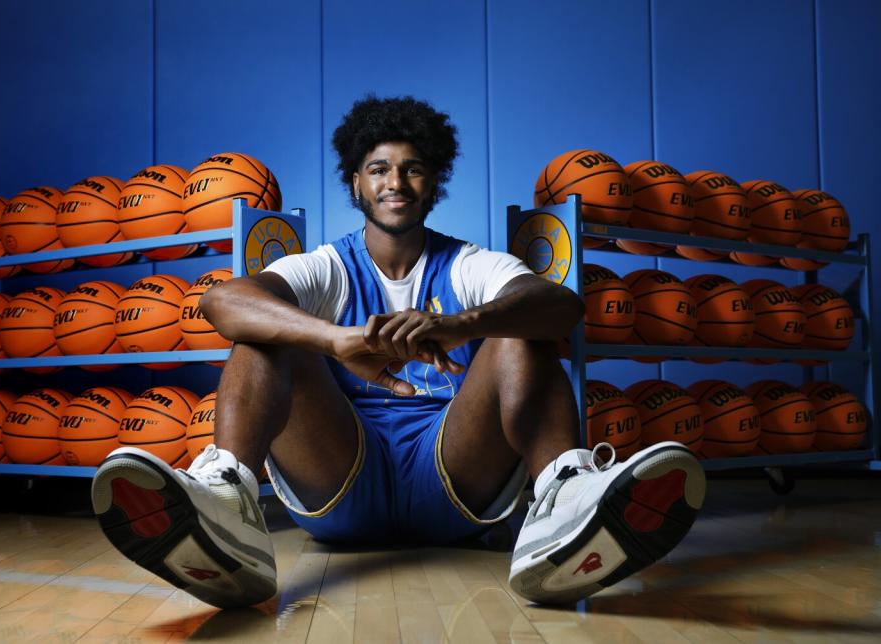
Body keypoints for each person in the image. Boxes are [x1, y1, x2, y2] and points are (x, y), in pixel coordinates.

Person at [91, 96, 705, 609]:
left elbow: (562, 309)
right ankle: (227, 505)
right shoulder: (327, 268)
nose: (395, 182)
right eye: (379, 168)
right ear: (356, 182)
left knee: (521, 326)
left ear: (433, 180)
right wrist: (335, 339)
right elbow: (224, 302)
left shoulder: (469, 265)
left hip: (453, 474)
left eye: (412, 169)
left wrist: (466, 324)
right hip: (342, 477)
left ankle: (566, 503)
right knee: (266, 333)